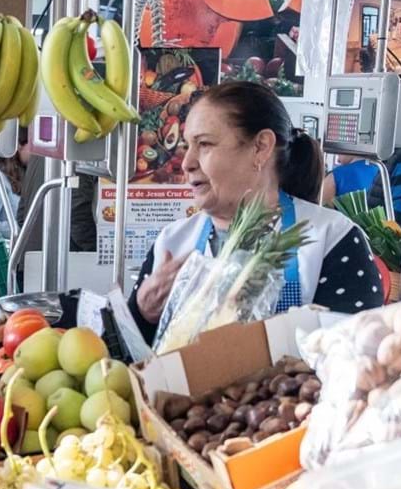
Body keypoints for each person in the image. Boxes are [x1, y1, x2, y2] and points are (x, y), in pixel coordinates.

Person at [129, 82, 383, 343]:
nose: (187, 163)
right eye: (187, 146)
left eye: (204, 144)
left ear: (261, 147)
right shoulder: (172, 242)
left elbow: (360, 359)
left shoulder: (331, 238)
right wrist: (140, 312)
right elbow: (122, 366)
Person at [14, 127, 97, 255]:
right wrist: (95, 249)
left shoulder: (38, 153)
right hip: (64, 260)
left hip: (30, 257)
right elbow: (78, 217)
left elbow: (21, 215)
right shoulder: (75, 154)